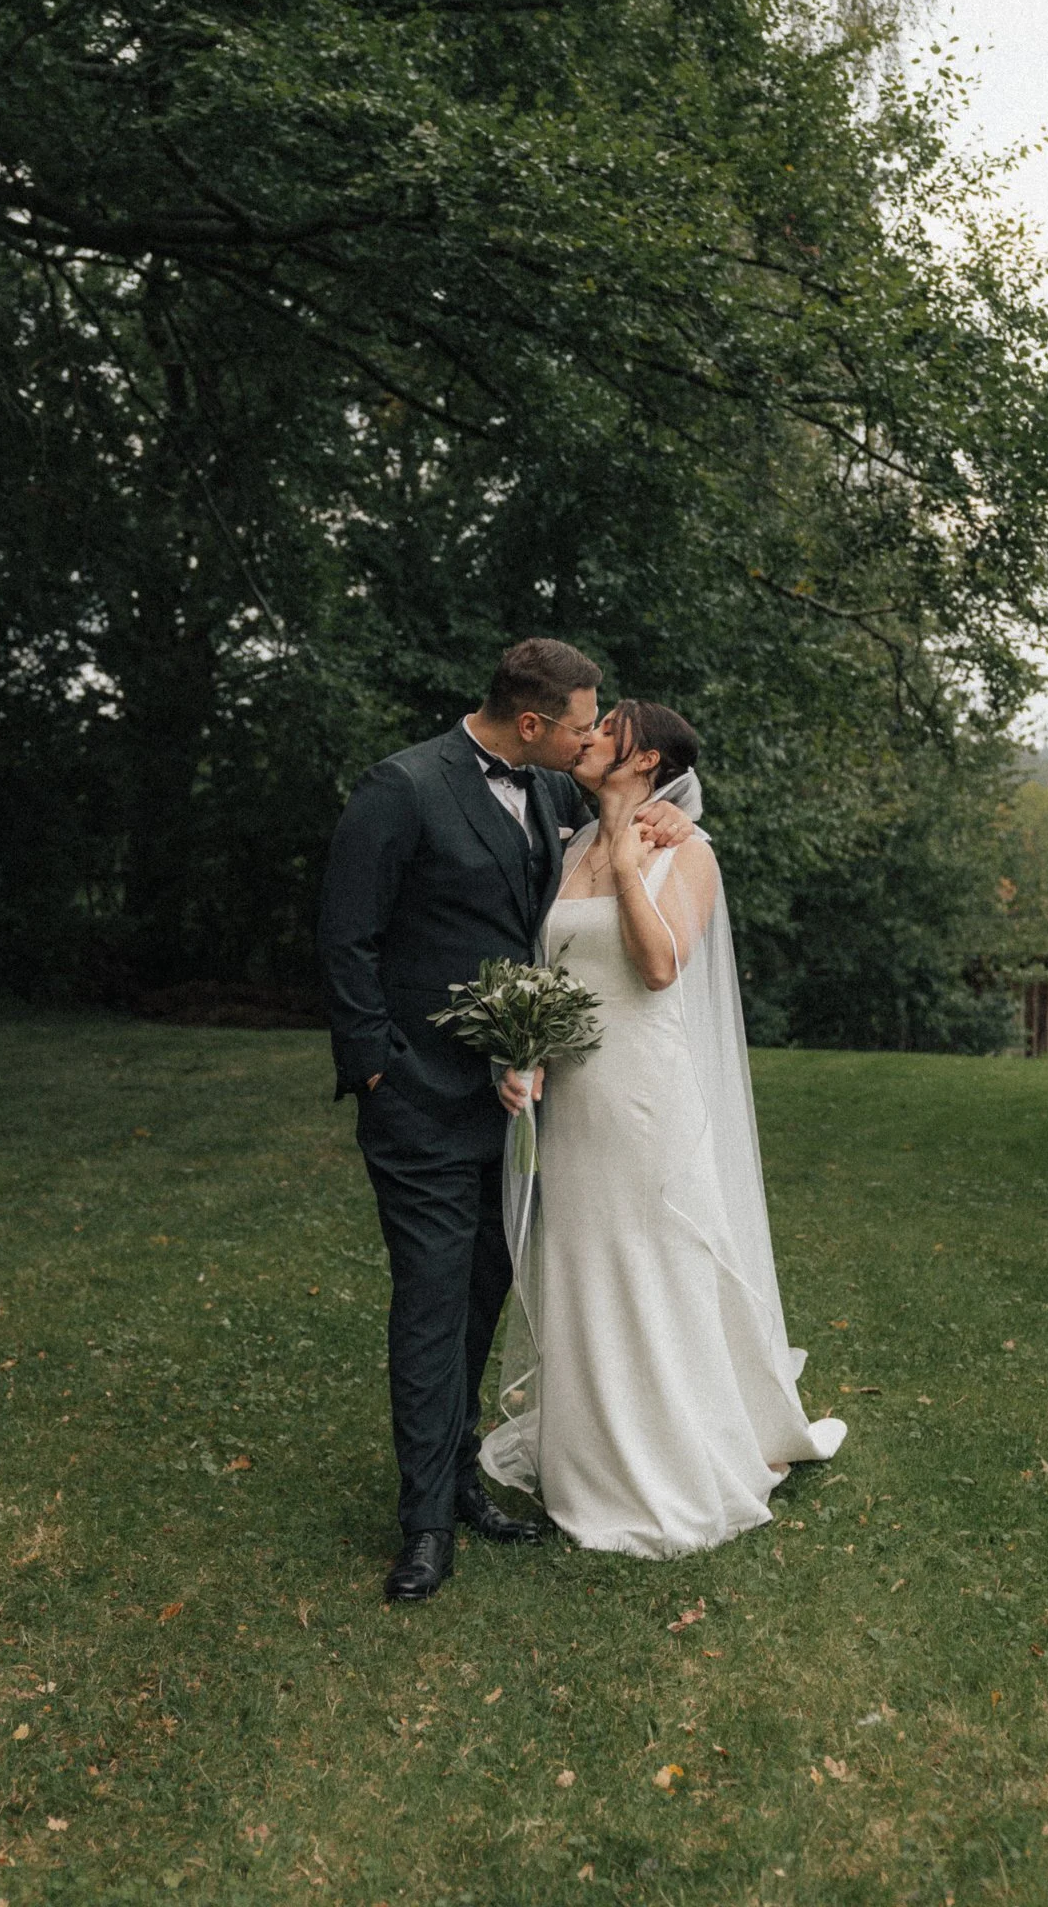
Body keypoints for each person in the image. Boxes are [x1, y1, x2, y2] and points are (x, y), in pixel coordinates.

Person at [317, 642, 695, 1601]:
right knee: (432, 1302)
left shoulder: (552, 797)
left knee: (484, 1294)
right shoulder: (400, 790)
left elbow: (603, 850)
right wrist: (375, 1075)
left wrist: (654, 814)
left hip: (520, 1107)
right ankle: (424, 1526)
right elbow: (344, 940)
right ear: (531, 724)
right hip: (418, 1104)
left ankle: (458, 1477)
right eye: (581, 725)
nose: (589, 742)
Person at [479, 701, 846, 1557]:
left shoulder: (686, 851)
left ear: (642, 760)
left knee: (651, 1261)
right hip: (570, 1096)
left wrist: (627, 850)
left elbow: (654, 967)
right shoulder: (567, 843)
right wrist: (525, 1052)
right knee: (582, 1264)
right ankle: (587, 1458)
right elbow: (553, 967)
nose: (588, 738)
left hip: (642, 1093)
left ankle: (670, 1461)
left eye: (604, 729)